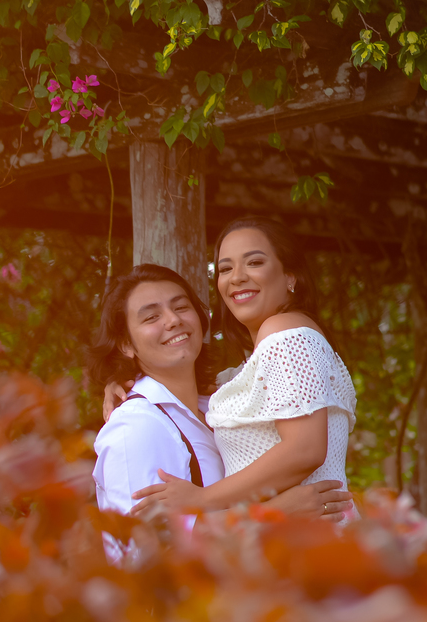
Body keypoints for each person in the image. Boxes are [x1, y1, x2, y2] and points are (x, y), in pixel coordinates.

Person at [111, 218, 358, 518]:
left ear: (290, 276)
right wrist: (126, 383)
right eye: (225, 268)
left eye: (254, 262)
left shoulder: (285, 331)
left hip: (311, 543)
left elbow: (305, 449)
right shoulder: (257, 363)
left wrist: (201, 500)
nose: (237, 277)